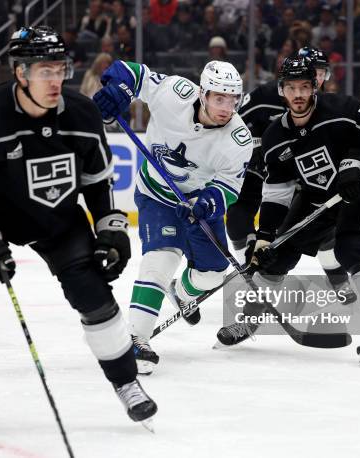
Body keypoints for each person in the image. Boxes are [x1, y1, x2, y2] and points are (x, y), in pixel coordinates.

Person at [0, 26, 157, 434]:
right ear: (20, 73)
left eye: (61, 69)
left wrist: (111, 227)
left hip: (53, 216)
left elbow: (96, 180)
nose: (56, 80)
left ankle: (127, 383)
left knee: (91, 291)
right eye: (44, 71)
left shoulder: (82, 113)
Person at [217, 57, 360, 366]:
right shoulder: (274, 136)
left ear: (315, 87)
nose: (298, 94)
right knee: (276, 255)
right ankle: (249, 321)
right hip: (317, 196)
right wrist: (265, 238)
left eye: (305, 87)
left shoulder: (343, 108)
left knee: (351, 251)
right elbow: (277, 192)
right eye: (291, 87)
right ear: (281, 90)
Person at [93, 59, 253, 374]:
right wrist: (118, 91)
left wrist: (206, 204)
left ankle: (180, 293)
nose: (226, 107)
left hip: (198, 205)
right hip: (155, 194)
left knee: (212, 274)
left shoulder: (239, 138)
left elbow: (229, 187)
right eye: (219, 98)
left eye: (232, 99)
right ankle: (136, 339)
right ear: (202, 93)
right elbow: (132, 73)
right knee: (161, 258)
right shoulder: (176, 92)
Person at [226, 47, 357, 304]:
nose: (317, 80)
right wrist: (255, 149)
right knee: (238, 221)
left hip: (296, 179)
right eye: (314, 73)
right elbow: (231, 125)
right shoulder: (263, 98)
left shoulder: (327, 107)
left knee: (318, 226)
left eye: (321, 74)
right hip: (257, 170)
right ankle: (250, 275)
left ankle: (337, 277)